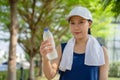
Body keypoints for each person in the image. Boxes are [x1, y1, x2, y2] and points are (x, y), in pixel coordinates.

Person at [40, 6, 109, 80]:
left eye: (81, 22)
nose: (76, 27)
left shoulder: (101, 51)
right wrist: (45, 58)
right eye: (72, 23)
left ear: (89, 24)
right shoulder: (61, 48)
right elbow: (49, 75)